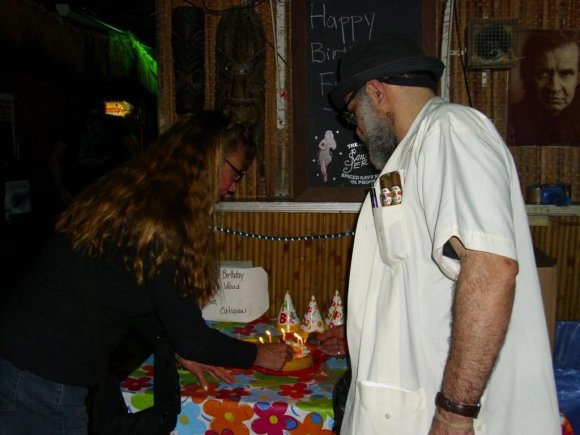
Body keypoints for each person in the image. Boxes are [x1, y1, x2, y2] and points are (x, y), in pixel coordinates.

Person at [316, 35, 560, 434]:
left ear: (377, 93)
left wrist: (455, 412)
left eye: (352, 113)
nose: (355, 129)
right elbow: (420, 287)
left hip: (446, 417)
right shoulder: (414, 154)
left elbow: (491, 268)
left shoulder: (450, 131)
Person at [0, 110, 292, 434]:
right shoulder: (164, 221)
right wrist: (259, 355)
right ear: (208, 161)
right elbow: (193, 336)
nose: (234, 187)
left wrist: (180, 347)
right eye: (236, 174)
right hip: (40, 375)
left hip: (23, 360)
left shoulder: (139, 194)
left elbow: (131, 295)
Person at [48, 95, 141, 207]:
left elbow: (54, 158)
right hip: (110, 191)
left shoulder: (71, 123)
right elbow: (135, 151)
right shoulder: (115, 121)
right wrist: (129, 182)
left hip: (80, 193)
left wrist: (62, 190)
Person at [508, 30, 580, 145]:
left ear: (578, 78)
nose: (555, 87)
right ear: (529, 73)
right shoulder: (510, 121)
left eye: (565, 74)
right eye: (543, 73)